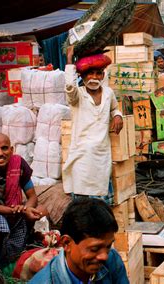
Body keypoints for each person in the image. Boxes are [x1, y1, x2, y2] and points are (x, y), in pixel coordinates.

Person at [63, 47, 123, 202]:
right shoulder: (78, 95)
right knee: (82, 199)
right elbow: (70, 87)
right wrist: (70, 60)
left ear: (103, 75)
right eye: (89, 73)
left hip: (102, 154)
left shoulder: (108, 93)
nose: (94, 77)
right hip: (82, 155)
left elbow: (115, 108)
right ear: (82, 76)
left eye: (98, 73)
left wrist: (117, 116)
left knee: (101, 199)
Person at [30, 198, 129, 283]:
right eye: (94, 249)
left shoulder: (113, 259)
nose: (104, 256)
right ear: (66, 243)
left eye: (108, 246)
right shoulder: (46, 281)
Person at [0, 133, 42, 264]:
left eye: (4, 148)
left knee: (41, 210)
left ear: (12, 150)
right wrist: (19, 210)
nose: (0, 153)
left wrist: (27, 209)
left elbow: (32, 196)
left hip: (10, 211)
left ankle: (10, 258)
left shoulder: (18, 165)